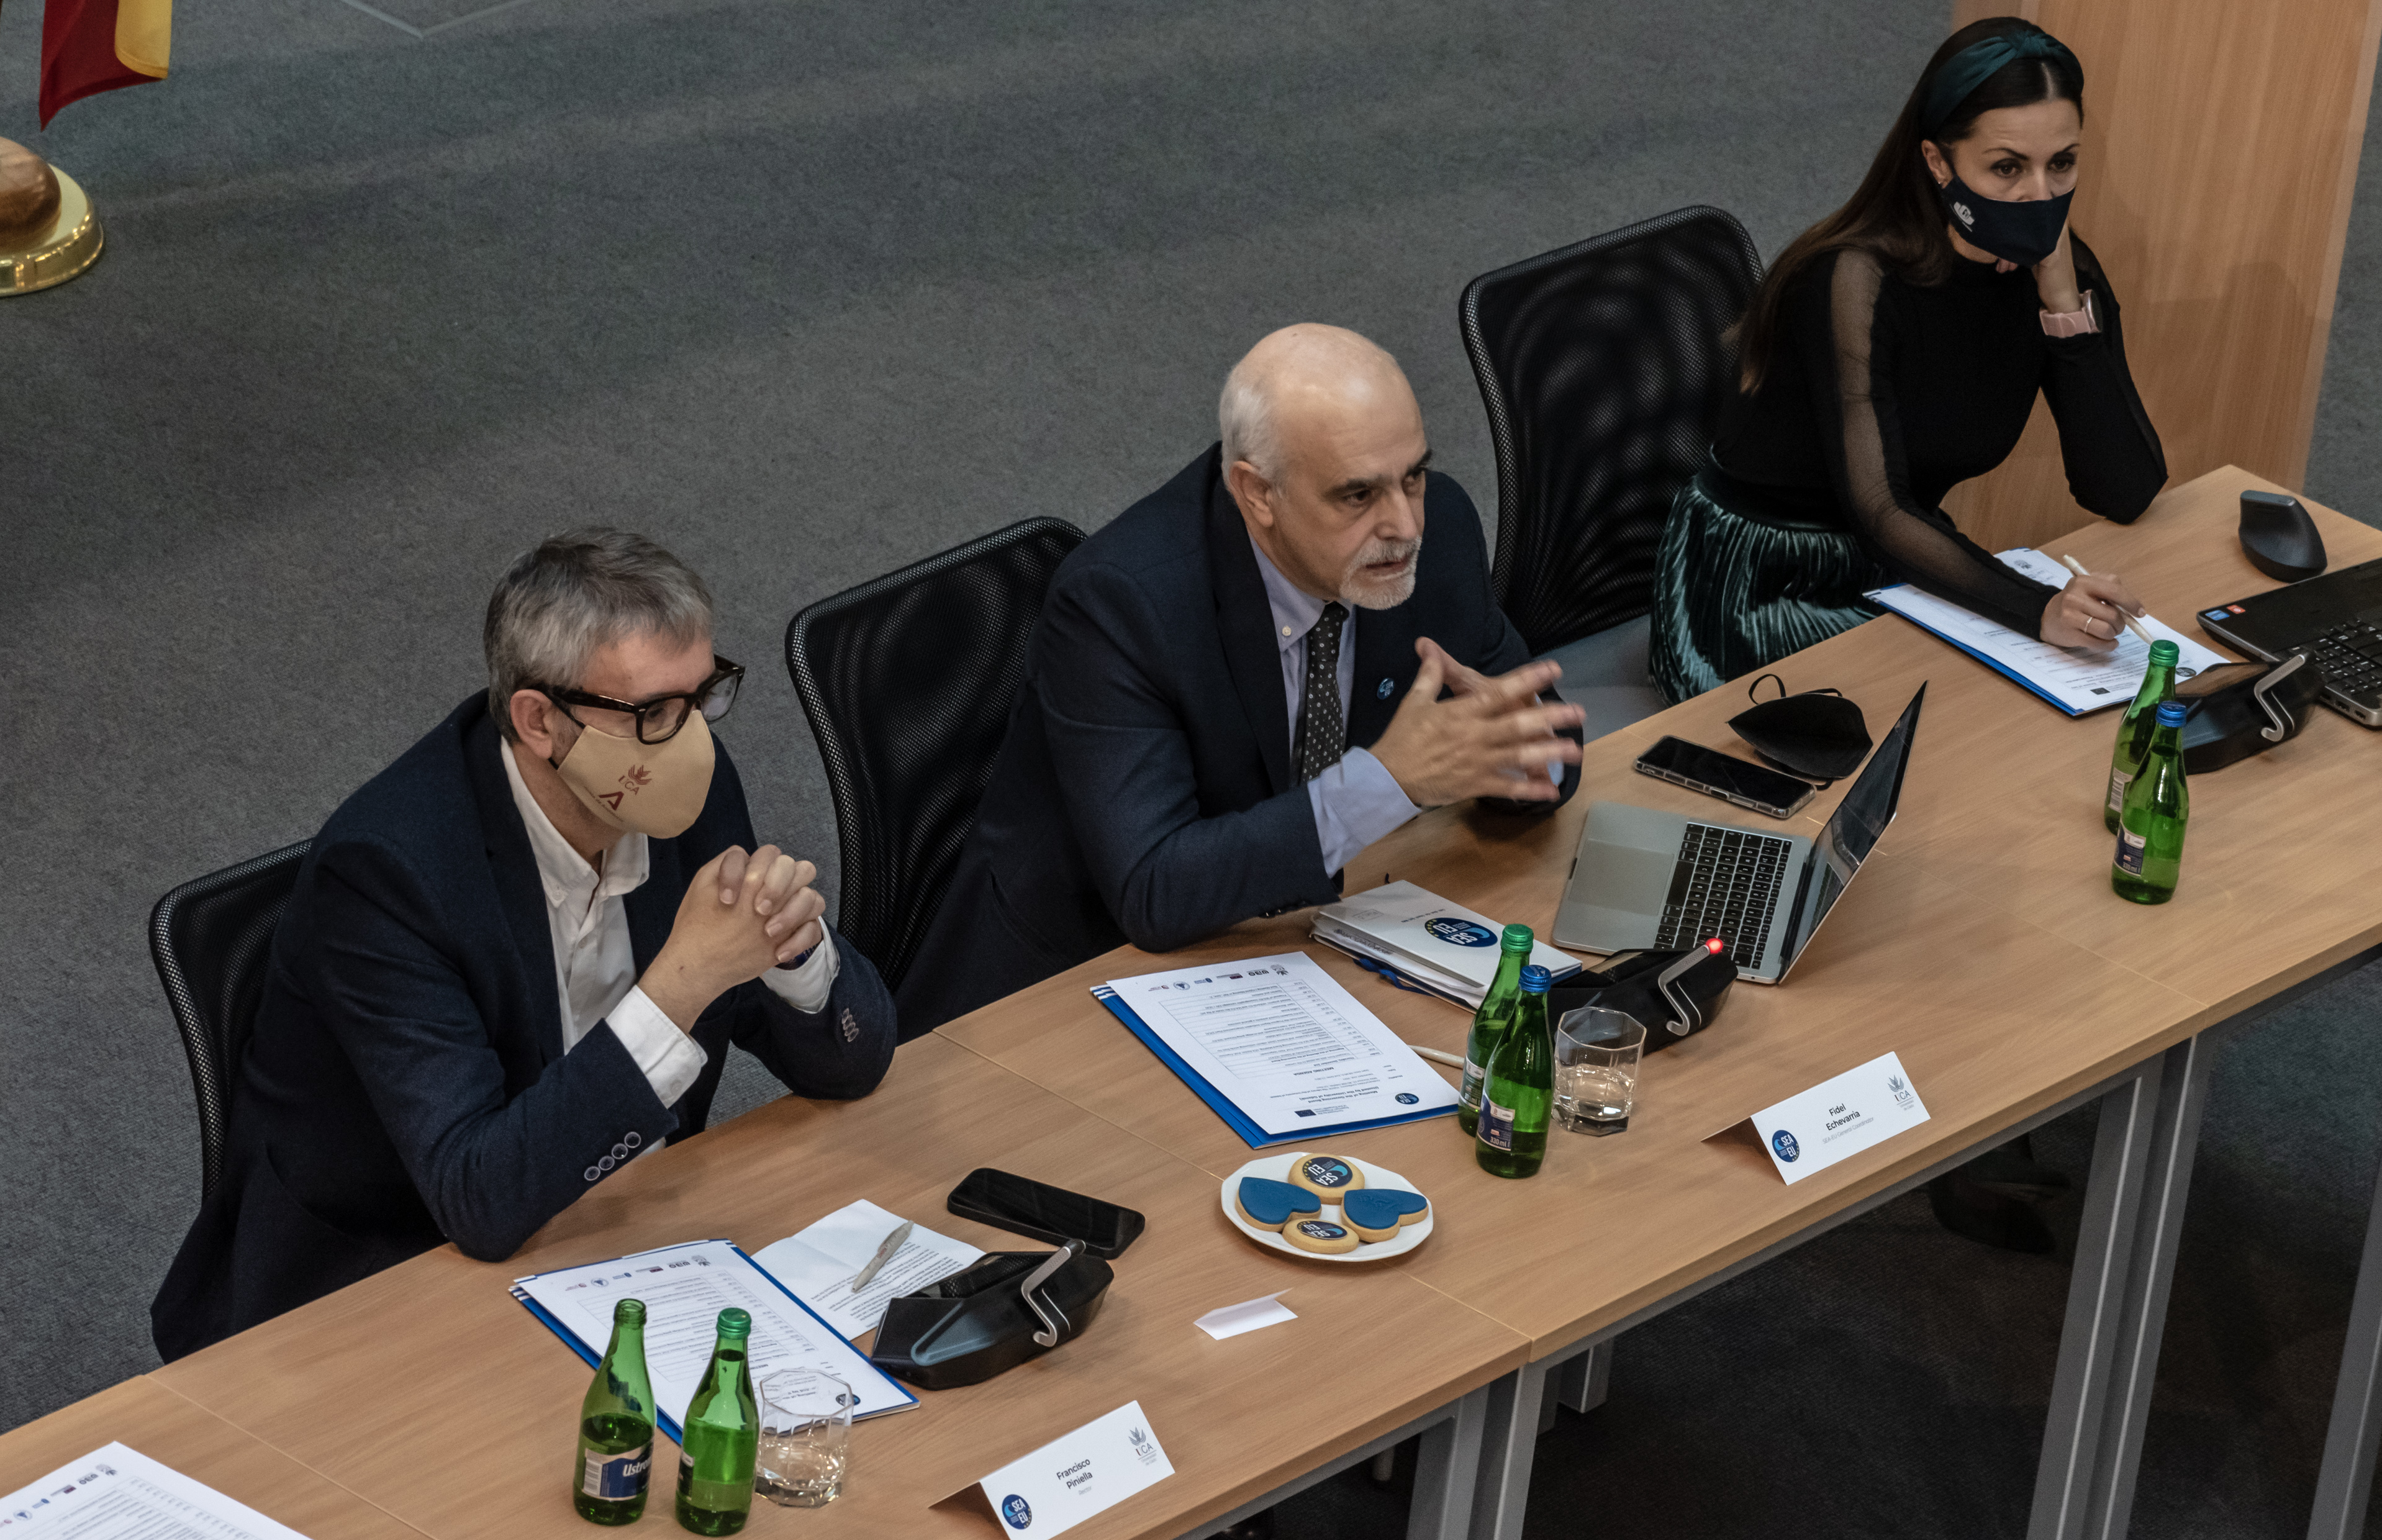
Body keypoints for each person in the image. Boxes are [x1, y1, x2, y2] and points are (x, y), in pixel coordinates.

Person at [152, 532, 895, 1361]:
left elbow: (852, 1063)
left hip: (616, 1233)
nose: (690, 739)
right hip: (381, 1290)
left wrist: (796, 956)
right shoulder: (388, 875)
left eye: (702, 695)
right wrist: (683, 982)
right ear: (539, 720)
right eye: (652, 713)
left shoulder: (684, 787)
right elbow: (480, 1195)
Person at [895, 324, 1585, 1040]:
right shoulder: (1123, 602)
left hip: (1300, 948)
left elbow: (1545, 744)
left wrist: (1511, 754)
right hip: (1073, 982)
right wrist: (1386, 782)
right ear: (1257, 493)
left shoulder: (1436, 532)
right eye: (1357, 494)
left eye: (1411, 475)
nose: (1404, 522)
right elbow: (1153, 888)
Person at [1648, 16, 2167, 704]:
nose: (2040, 195)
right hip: (1767, 579)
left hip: (1901, 555)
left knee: (2010, 710)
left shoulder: (2059, 272)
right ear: (1937, 162)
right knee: (1960, 716)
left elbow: (2124, 489)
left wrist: (2065, 309)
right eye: (2007, 167)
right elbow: (1879, 507)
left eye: (2062, 163)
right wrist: (2038, 607)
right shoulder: (1852, 281)